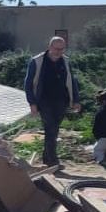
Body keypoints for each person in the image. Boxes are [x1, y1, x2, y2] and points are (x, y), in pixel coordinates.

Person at [22, 36, 79, 167]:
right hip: (44, 100)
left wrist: (76, 100)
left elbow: (72, 81)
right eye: (56, 48)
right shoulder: (37, 61)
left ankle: (47, 158)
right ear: (50, 47)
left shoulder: (66, 61)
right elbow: (28, 84)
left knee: (54, 130)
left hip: (61, 100)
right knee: (50, 128)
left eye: (61, 49)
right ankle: (52, 161)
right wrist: (32, 103)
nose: (59, 52)